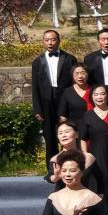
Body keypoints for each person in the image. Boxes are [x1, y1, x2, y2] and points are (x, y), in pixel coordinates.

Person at [31, 29, 76, 172]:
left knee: (67, 135)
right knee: (49, 137)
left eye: (53, 39)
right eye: (47, 40)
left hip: (65, 101)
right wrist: (37, 109)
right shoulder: (37, 62)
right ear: (43, 42)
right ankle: (52, 170)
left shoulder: (70, 59)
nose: (50, 43)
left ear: (59, 41)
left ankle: (70, 167)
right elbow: (35, 87)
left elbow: (74, 83)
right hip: (46, 103)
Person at [81, 85, 108, 208]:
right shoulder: (87, 115)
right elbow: (83, 138)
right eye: (96, 94)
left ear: (107, 96)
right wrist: (85, 155)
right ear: (92, 97)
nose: (99, 97)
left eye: (102, 94)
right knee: (98, 183)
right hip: (95, 155)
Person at [56, 63, 93, 132]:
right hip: (76, 129)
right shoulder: (67, 92)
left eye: (83, 73)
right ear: (72, 75)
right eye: (76, 73)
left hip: (93, 127)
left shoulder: (95, 90)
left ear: (88, 74)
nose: (80, 76)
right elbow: (62, 115)